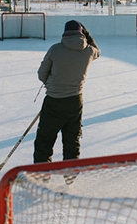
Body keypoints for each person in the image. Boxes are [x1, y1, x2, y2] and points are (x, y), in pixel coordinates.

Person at [34, 19, 100, 170]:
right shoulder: (89, 51)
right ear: (81, 33)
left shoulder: (55, 49)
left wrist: (51, 85)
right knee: (72, 140)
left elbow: (41, 74)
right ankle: (70, 176)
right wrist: (88, 35)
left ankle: (41, 175)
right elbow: (98, 51)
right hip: (75, 101)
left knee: (45, 140)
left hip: (53, 101)